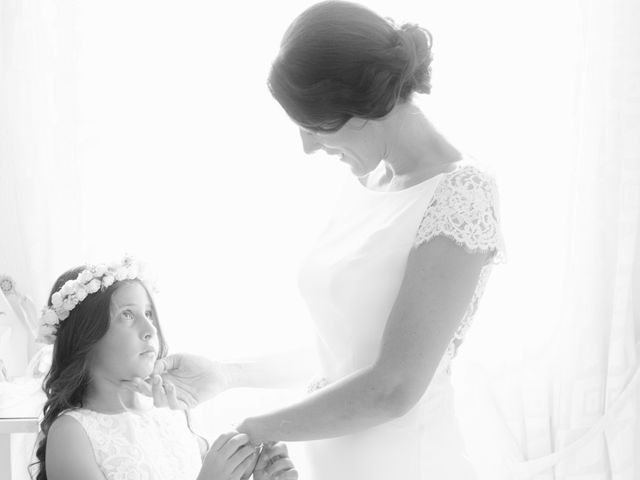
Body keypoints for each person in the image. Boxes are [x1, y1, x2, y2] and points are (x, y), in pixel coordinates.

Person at [128, 1, 507, 479]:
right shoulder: (367, 180)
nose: (308, 146)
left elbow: (395, 385)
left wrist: (252, 430)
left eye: (313, 125)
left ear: (364, 103)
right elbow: (347, 352)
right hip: (336, 461)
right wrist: (230, 374)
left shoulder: (461, 194)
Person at [31, 257, 298, 480]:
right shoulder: (71, 433)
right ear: (86, 336)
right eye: (127, 315)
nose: (150, 330)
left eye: (148, 314)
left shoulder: (172, 414)